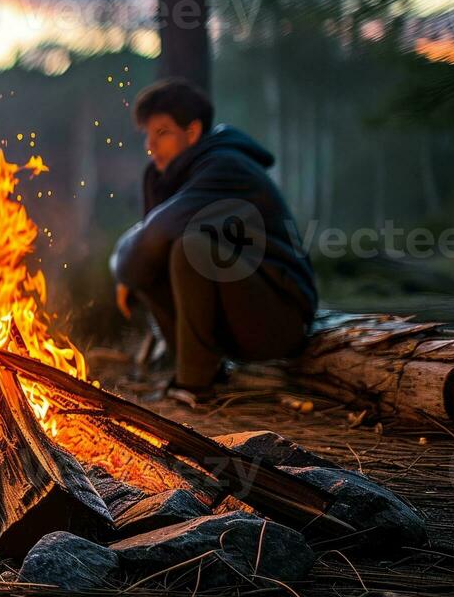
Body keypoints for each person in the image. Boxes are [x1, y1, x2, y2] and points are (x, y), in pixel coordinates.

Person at [110, 79, 317, 405]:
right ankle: (196, 368)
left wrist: (125, 270)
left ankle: (194, 385)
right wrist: (130, 271)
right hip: (238, 315)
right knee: (156, 259)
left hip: (280, 319)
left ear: (192, 132)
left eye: (162, 132)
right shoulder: (163, 176)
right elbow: (145, 250)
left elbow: (155, 234)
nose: (151, 145)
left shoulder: (225, 166)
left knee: (189, 247)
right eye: (147, 135)